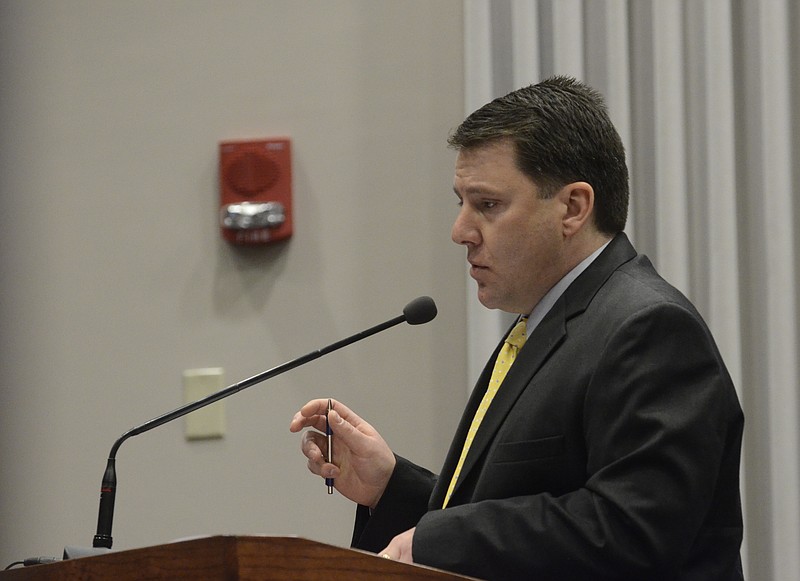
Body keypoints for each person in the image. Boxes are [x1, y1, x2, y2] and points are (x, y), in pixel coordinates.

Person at [289, 76, 744, 580]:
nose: (460, 231)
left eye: (487, 205)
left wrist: (437, 541)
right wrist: (392, 488)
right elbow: (520, 511)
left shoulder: (649, 329)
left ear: (572, 207)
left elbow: (632, 531)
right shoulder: (549, 323)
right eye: (460, 201)